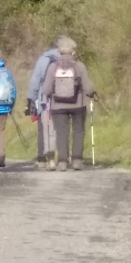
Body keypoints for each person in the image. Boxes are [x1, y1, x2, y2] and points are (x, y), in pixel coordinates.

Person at [41, 36, 96, 170]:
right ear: (73, 51)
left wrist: (50, 96)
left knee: (61, 132)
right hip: (78, 104)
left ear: (59, 51)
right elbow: (88, 88)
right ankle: (76, 160)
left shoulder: (53, 67)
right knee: (78, 131)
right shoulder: (79, 66)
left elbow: (46, 89)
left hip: (58, 105)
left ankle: (62, 161)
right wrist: (92, 93)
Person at [27, 38, 60, 170]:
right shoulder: (68, 59)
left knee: (46, 127)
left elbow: (35, 81)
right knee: (60, 128)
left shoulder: (43, 59)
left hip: (46, 101)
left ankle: (47, 158)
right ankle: (62, 157)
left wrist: (31, 98)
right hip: (65, 101)